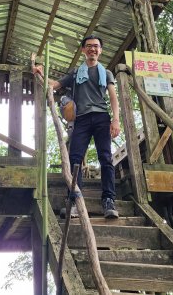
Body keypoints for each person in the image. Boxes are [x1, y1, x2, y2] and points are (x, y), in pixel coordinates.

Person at [35, 35, 121, 219]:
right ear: (83, 50)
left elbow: (113, 97)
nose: (93, 49)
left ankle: (108, 200)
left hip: (101, 117)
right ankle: (74, 200)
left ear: (101, 50)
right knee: (74, 159)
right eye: (89, 46)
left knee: (106, 158)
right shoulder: (75, 73)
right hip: (81, 119)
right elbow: (55, 85)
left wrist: (116, 120)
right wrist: (40, 74)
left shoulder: (106, 73)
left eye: (96, 46)